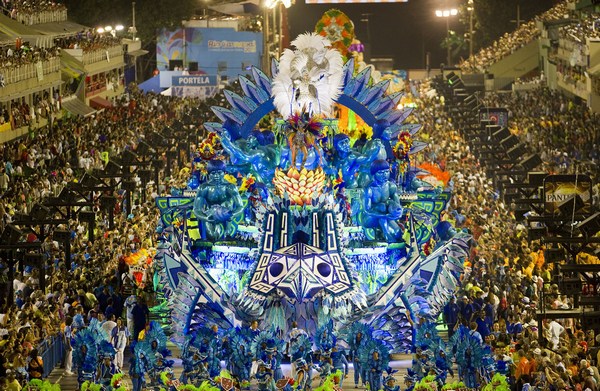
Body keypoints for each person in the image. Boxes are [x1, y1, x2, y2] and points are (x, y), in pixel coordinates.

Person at [193, 159, 244, 241]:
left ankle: (227, 231)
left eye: (219, 173)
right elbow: (196, 209)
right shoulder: (204, 188)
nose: (216, 176)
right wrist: (205, 218)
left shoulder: (230, 187)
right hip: (210, 215)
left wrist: (232, 215)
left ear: (224, 173)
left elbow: (240, 206)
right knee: (212, 237)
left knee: (226, 205)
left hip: (226, 215)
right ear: (209, 174)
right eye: (213, 173)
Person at [361, 159, 404, 242]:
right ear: (374, 174)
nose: (385, 175)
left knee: (398, 234)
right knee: (382, 206)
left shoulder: (391, 186)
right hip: (370, 218)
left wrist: (398, 212)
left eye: (387, 172)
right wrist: (384, 216)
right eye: (380, 173)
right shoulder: (368, 189)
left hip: (386, 216)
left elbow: (398, 205)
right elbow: (367, 211)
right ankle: (386, 234)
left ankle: (386, 233)